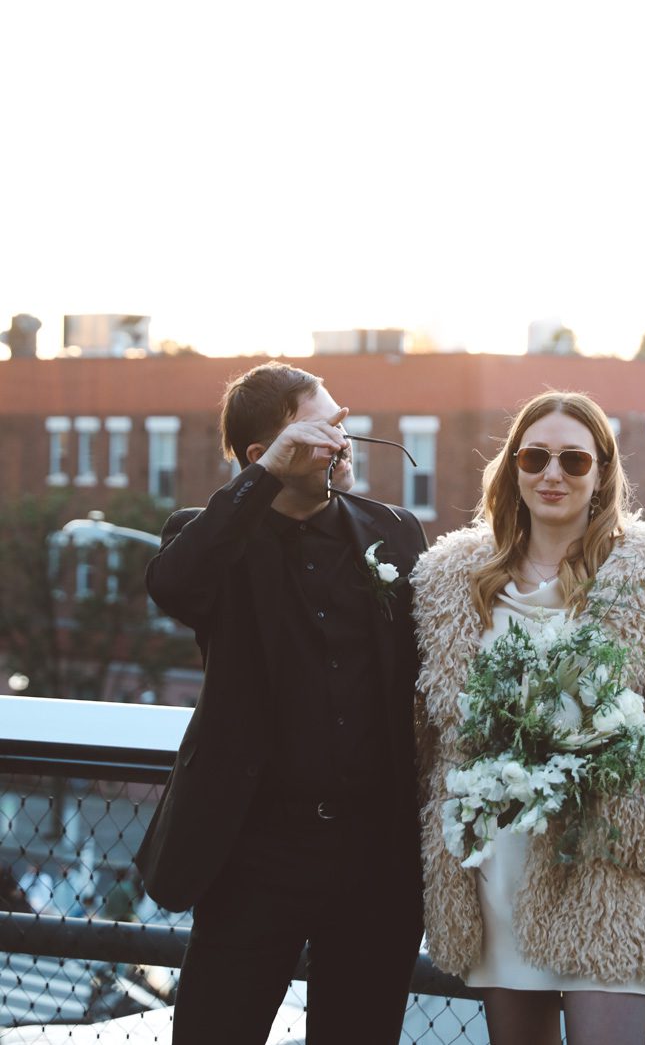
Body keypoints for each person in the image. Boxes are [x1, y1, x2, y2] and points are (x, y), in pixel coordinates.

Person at [411, 390, 645, 1045]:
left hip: (611, 878)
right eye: (535, 457)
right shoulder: (452, 580)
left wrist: (634, 832)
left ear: (602, 471)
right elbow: (428, 735)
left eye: (573, 461)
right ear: (513, 467)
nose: (552, 474)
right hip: (498, 870)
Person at [136, 361, 427, 1045]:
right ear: (263, 453)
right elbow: (174, 589)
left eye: (342, 422)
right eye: (321, 430)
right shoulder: (207, 536)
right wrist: (264, 478)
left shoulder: (396, 530)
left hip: (373, 858)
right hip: (253, 853)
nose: (343, 442)